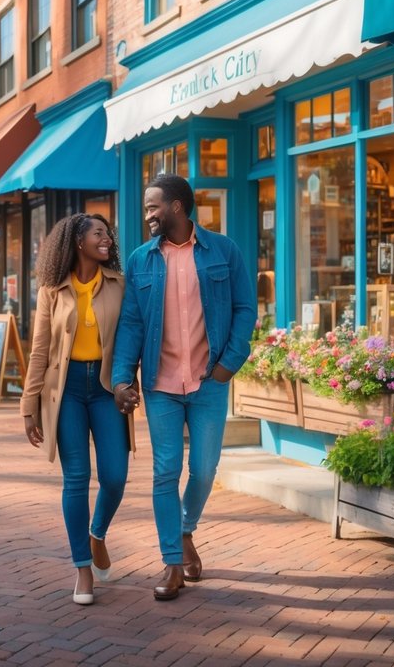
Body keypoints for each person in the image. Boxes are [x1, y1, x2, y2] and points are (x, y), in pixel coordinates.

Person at [112, 174, 256, 601]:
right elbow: (132, 323)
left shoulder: (224, 251)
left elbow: (245, 308)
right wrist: (123, 376)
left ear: (177, 207)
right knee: (165, 471)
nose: (148, 215)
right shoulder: (141, 260)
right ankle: (172, 561)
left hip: (210, 380)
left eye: (153, 206)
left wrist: (230, 363)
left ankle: (186, 529)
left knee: (206, 469)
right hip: (161, 384)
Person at [22, 213, 131, 606]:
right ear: (78, 242)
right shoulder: (53, 289)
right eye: (98, 234)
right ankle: (82, 568)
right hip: (65, 391)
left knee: (116, 476)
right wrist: (27, 406)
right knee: (77, 478)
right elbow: (39, 351)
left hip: (105, 389)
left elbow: (131, 336)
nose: (106, 239)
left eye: (107, 234)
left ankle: (96, 533)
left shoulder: (120, 284)